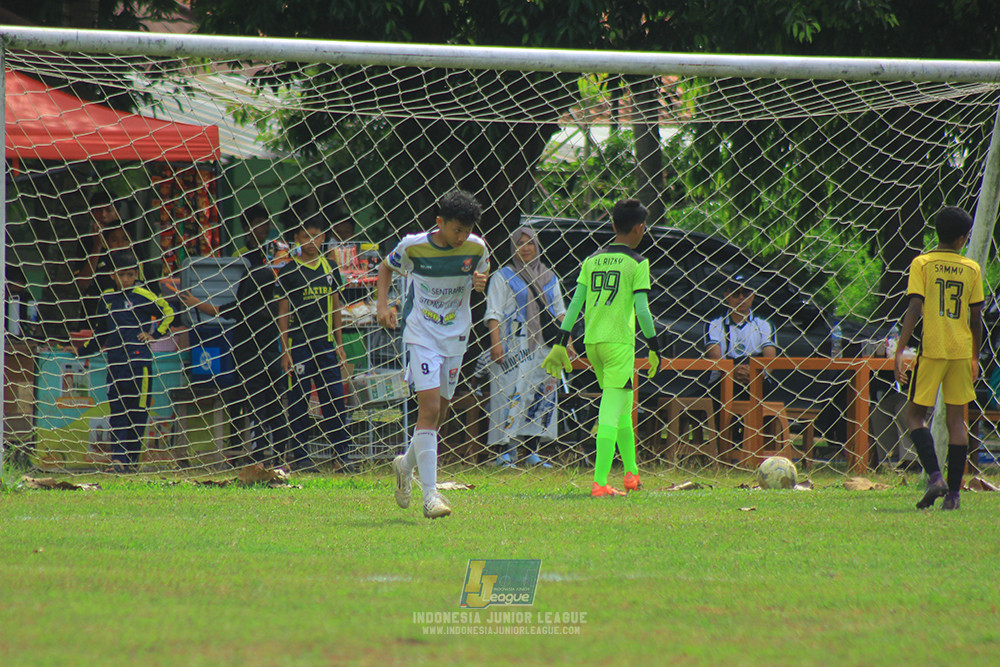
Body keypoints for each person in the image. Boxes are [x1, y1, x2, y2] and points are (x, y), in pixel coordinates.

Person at [377, 189, 489, 519]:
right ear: (439, 222)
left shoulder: (477, 247)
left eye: (467, 229)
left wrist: (480, 282)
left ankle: (405, 464)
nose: (462, 236)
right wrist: (383, 305)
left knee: (439, 415)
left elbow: (481, 271)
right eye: (456, 229)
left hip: (455, 335)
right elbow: (386, 268)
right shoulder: (413, 246)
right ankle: (430, 496)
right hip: (421, 333)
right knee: (429, 407)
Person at [543, 198, 663, 498]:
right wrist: (654, 347)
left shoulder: (592, 260)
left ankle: (632, 474)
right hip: (619, 344)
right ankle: (599, 482)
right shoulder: (638, 262)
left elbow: (574, 305)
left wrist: (560, 340)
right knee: (610, 410)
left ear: (612, 226)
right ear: (640, 228)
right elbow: (643, 310)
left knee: (622, 407)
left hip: (592, 343)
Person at [894, 206, 984, 511]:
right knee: (957, 420)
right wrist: (974, 355)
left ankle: (935, 476)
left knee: (915, 416)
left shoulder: (922, 263)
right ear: (962, 239)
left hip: (932, 349)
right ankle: (954, 496)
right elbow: (976, 318)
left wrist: (898, 350)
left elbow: (914, 308)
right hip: (961, 351)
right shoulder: (972, 269)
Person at [180, 258, 289, 466]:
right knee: (276, 411)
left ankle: (258, 457)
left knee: (257, 411)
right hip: (273, 364)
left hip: (251, 366)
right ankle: (280, 457)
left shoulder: (244, 307)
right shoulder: (274, 307)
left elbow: (214, 311)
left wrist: (194, 301)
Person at [75, 250, 175, 472]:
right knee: (118, 412)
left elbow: (169, 312)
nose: (127, 279)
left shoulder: (142, 295)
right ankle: (118, 460)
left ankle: (131, 461)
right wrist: (82, 350)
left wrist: (154, 335)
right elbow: (101, 332)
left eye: (131, 275)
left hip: (140, 366)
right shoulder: (107, 299)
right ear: (113, 275)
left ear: (136, 275)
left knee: (138, 413)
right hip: (116, 364)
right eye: (123, 275)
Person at [483, 226, 569, 468]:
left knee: (541, 394)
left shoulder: (550, 277)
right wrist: (496, 343)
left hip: (544, 345)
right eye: (520, 243)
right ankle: (503, 451)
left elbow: (561, 313)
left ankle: (531, 450)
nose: (525, 248)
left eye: (530, 243)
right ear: (513, 247)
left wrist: (566, 343)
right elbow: (494, 313)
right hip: (513, 343)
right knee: (507, 394)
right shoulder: (503, 276)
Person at [277, 214, 351, 471]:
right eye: (305, 236)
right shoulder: (289, 272)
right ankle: (301, 457)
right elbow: (283, 313)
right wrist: (285, 349)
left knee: (334, 398)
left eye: (316, 236)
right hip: (298, 346)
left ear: (323, 238)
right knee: (299, 400)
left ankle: (342, 456)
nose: (311, 241)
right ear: (296, 238)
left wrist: (339, 343)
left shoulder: (330, 268)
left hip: (325, 345)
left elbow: (335, 307)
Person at [704, 276, 777, 448]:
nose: (741, 298)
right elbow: (714, 356)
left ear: (753, 296)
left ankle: (752, 447)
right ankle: (725, 448)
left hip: (755, 379)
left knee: (760, 387)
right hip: (724, 379)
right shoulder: (715, 324)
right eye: (736, 293)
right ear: (727, 295)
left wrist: (752, 373)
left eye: (746, 293)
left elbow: (770, 359)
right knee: (722, 389)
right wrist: (733, 372)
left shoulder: (763, 324)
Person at [234, 204, 274, 268]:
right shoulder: (240, 255)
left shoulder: (271, 252)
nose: (264, 227)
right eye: (259, 223)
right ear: (247, 228)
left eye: (267, 223)